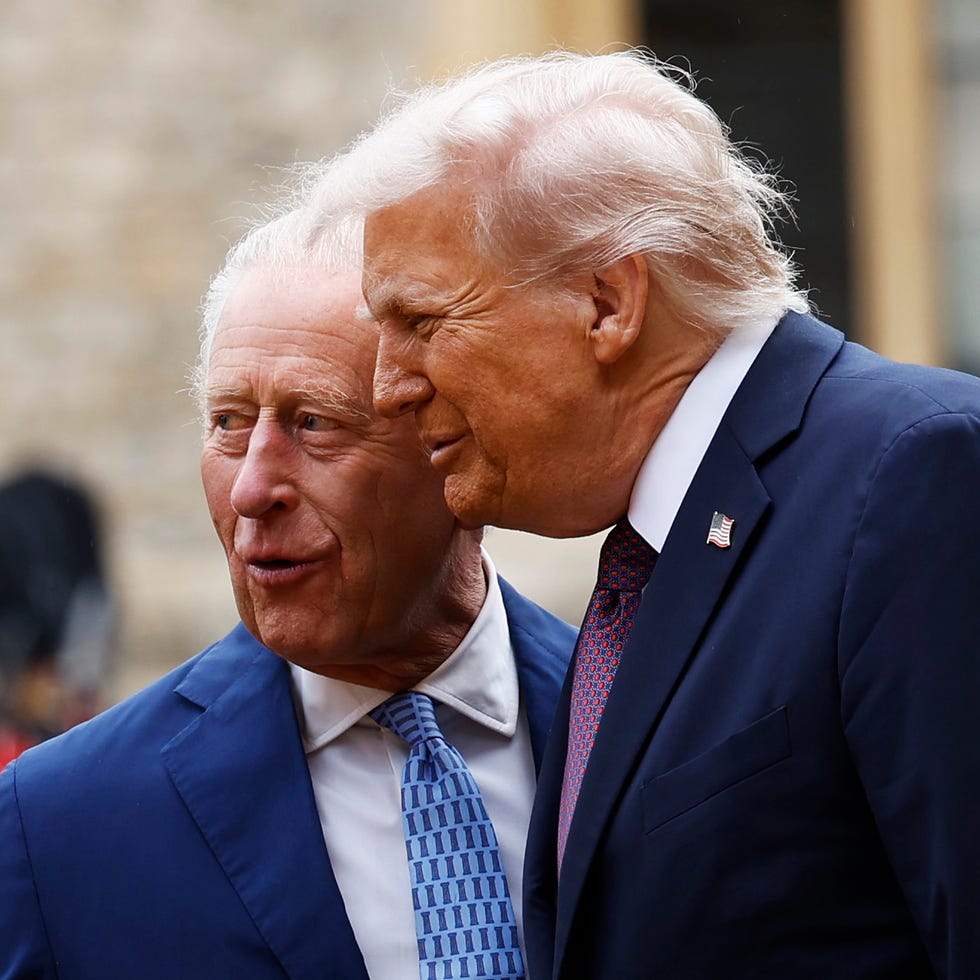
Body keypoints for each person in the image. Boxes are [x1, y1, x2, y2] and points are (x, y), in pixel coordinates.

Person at [310, 50, 980, 978]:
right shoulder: (655, 549)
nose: (387, 389)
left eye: (422, 323)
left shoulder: (915, 473)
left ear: (606, 302)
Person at [0, 211, 575, 979]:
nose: (250, 488)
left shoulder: (654, 723)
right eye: (229, 423)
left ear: (458, 448)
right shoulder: (56, 823)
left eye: (313, 422)